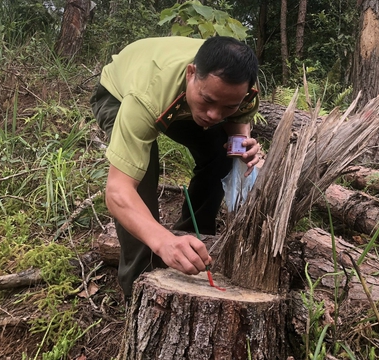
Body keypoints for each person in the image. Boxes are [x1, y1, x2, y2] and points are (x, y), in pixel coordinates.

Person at [91, 36, 261, 298]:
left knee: (221, 152)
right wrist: (163, 241)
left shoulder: (241, 84)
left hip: (178, 98)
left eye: (228, 105)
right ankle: (140, 284)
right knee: (141, 177)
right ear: (191, 73)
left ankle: (196, 240)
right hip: (119, 93)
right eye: (208, 101)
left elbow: (237, 121)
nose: (214, 115)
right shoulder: (146, 96)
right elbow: (118, 193)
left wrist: (241, 146)